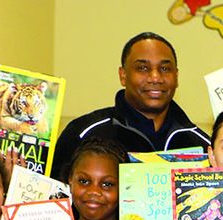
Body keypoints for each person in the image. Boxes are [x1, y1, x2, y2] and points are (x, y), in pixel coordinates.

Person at [50, 32, 210, 181]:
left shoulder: (202, 146)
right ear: (123, 75)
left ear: (176, 76)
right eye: (142, 68)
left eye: (164, 69)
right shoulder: (83, 133)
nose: (155, 77)